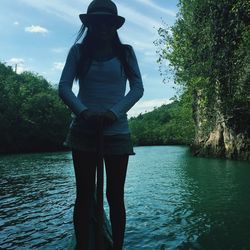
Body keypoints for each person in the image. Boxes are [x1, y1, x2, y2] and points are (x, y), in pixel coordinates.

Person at [58, 0, 144, 249]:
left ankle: (117, 247)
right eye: (97, 22)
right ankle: (83, 247)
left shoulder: (125, 52)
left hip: (116, 132)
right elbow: (64, 87)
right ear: (90, 25)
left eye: (108, 22)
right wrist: (83, 113)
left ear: (114, 25)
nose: (103, 26)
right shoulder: (78, 51)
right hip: (83, 131)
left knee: (115, 196)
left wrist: (113, 113)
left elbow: (137, 88)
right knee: (84, 196)